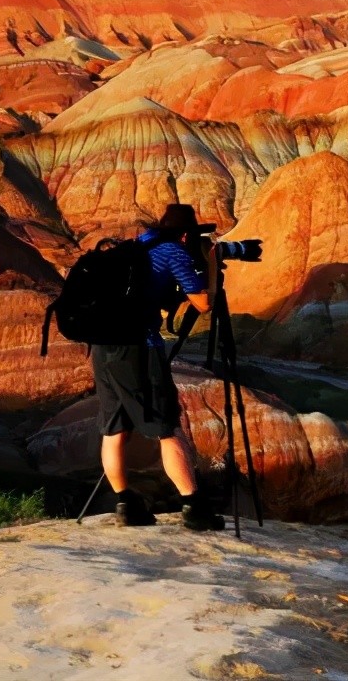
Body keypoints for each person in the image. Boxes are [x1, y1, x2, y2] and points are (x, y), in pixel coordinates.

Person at [91, 203, 222, 531]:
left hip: (102, 346)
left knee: (115, 427)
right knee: (167, 427)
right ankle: (194, 507)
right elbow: (204, 303)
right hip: (138, 351)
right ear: (184, 234)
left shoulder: (135, 246)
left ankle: (126, 504)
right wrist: (212, 262)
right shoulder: (172, 251)